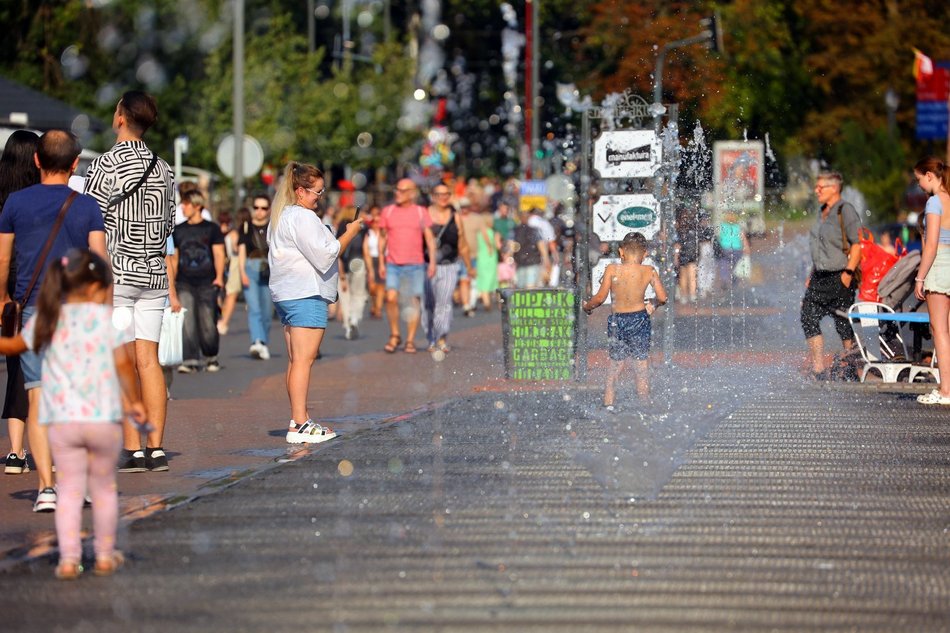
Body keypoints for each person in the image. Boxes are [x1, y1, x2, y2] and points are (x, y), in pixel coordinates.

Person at [0, 249, 145, 579]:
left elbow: (13, 347)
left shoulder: (46, 320)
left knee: (68, 490)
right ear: (96, 288)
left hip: (63, 422)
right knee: (104, 489)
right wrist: (134, 404)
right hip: (102, 422)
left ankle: (68, 559)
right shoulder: (104, 322)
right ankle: (105, 555)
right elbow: (123, 366)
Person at [0, 130, 108, 512]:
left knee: (38, 398)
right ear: (75, 163)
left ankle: (47, 488)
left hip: (34, 312)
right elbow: (100, 263)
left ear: (36, 161)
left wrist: (3, 299)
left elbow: (2, 260)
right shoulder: (87, 206)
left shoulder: (14, 203)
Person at [84, 90, 176, 473]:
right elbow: (170, 223)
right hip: (153, 275)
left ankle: (133, 448)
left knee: (123, 363)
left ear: (121, 117)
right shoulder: (165, 168)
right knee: (149, 361)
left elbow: (88, 222)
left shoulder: (104, 165)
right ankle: (156, 447)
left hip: (117, 275)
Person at [268, 162, 364, 443]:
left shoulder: (282, 215)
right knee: (304, 361)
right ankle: (300, 423)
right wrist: (350, 233)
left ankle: (298, 418)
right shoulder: (302, 217)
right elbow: (326, 255)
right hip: (305, 291)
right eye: (316, 193)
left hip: (287, 292)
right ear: (300, 191)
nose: (319, 198)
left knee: (296, 360)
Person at [582, 232, 668, 411]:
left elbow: (599, 298)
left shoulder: (612, 269)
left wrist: (587, 306)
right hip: (640, 319)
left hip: (618, 321)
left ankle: (608, 405)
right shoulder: (649, 271)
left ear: (621, 252)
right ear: (645, 254)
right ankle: (645, 405)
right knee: (641, 366)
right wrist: (652, 305)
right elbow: (663, 297)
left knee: (615, 365)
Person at [0, 130, 39, 476]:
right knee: (23, 366)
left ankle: (15, 451)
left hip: (5, 287)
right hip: (27, 286)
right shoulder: (35, 200)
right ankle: (18, 450)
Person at [801, 171, 862, 379]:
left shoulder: (845, 210)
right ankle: (818, 368)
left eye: (820, 187)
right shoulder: (822, 211)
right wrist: (812, 273)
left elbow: (857, 245)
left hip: (841, 274)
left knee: (842, 322)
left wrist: (847, 273)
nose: (816, 191)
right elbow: (820, 247)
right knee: (808, 316)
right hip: (820, 275)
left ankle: (852, 366)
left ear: (834, 188)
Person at [377, 179, 437, 353]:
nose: (398, 193)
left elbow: (429, 239)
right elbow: (382, 237)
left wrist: (432, 262)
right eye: (396, 190)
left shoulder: (420, 212)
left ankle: (410, 340)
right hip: (393, 264)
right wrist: (381, 261)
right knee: (391, 298)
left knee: (413, 302)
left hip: (416, 265)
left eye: (402, 190)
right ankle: (395, 334)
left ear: (412, 193)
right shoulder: (387, 211)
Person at [169, 189, 225, 373]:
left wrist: (219, 277)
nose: (182, 208)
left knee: (208, 320)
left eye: (186, 204)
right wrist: (173, 285)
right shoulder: (179, 230)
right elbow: (174, 258)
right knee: (187, 321)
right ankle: (190, 359)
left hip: (207, 282)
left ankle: (211, 356)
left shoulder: (212, 229)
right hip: (184, 282)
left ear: (197, 205)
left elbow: (218, 254)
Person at [913, 157, 950, 404]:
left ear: (929, 175)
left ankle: (946, 390)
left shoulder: (935, 203)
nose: (919, 186)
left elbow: (932, 245)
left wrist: (920, 277)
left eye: (919, 180)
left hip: (940, 267)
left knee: (940, 330)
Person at [424, 183, 472, 353]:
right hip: (426, 265)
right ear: (433, 195)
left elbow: (462, 242)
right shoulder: (425, 214)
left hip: (450, 265)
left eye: (446, 194)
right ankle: (431, 337)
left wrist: (468, 266)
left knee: (444, 303)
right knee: (429, 304)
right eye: (439, 194)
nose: (443, 197)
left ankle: (441, 338)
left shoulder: (455, 216)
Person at [239, 195, 274, 359]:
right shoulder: (246, 226)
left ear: (269, 210)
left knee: (267, 311)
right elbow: (241, 253)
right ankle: (256, 341)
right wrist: (242, 273)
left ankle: (263, 342)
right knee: (254, 308)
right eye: (257, 207)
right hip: (251, 268)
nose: (259, 211)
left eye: (264, 208)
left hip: (269, 270)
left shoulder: (273, 227)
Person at [336, 205, 370, 340]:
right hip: (358, 263)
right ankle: (355, 318)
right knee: (359, 293)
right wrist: (371, 269)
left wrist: (341, 272)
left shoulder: (341, 226)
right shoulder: (362, 227)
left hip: (343, 263)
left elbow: (337, 247)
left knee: (345, 296)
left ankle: (348, 322)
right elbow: (365, 248)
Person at [217, 208, 247, 335]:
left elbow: (235, 249)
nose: (224, 226)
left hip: (232, 265)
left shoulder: (232, 234)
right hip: (229, 266)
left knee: (231, 293)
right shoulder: (228, 234)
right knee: (226, 293)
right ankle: (222, 320)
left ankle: (223, 322)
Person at [456, 197, 484, 316]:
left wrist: (489, 249)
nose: (464, 209)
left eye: (466, 206)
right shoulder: (456, 218)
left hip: (475, 255)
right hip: (461, 255)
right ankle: (466, 305)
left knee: (474, 280)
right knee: (464, 280)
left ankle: (472, 303)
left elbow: (484, 233)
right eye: (462, 207)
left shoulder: (476, 219)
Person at [511, 210, 550, 289]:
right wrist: (546, 259)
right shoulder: (534, 230)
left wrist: (511, 259)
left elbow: (512, 246)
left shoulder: (515, 231)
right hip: (532, 262)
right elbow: (541, 245)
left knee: (521, 289)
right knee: (530, 289)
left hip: (521, 262)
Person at [717, 210, 751, 289]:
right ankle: (735, 281)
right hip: (737, 249)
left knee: (724, 264)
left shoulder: (722, 226)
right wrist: (746, 247)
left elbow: (718, 237)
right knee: (735, 266)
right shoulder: (738, 227)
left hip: (725, 248)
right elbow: (743, 238)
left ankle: (725, 279)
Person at [675, 206, 700, 303]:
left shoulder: (679, 230)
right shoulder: (693, 227)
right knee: (692, 276)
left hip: (684, 254)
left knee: (683, 276)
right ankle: (692, 295)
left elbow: (677, 245)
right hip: (692, 254)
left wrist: (676, 257)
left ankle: (684, 296)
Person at [365, 205, 384, 319]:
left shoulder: (384, 233)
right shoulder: (369, 234)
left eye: (378, 222)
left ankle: (378, 308)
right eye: (374, 222)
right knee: (372, 286)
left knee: (381, 286)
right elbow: (366, 250)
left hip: (383, 259)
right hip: (371, 259)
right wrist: (370, 267)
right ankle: (374, 303)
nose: (376, 224)